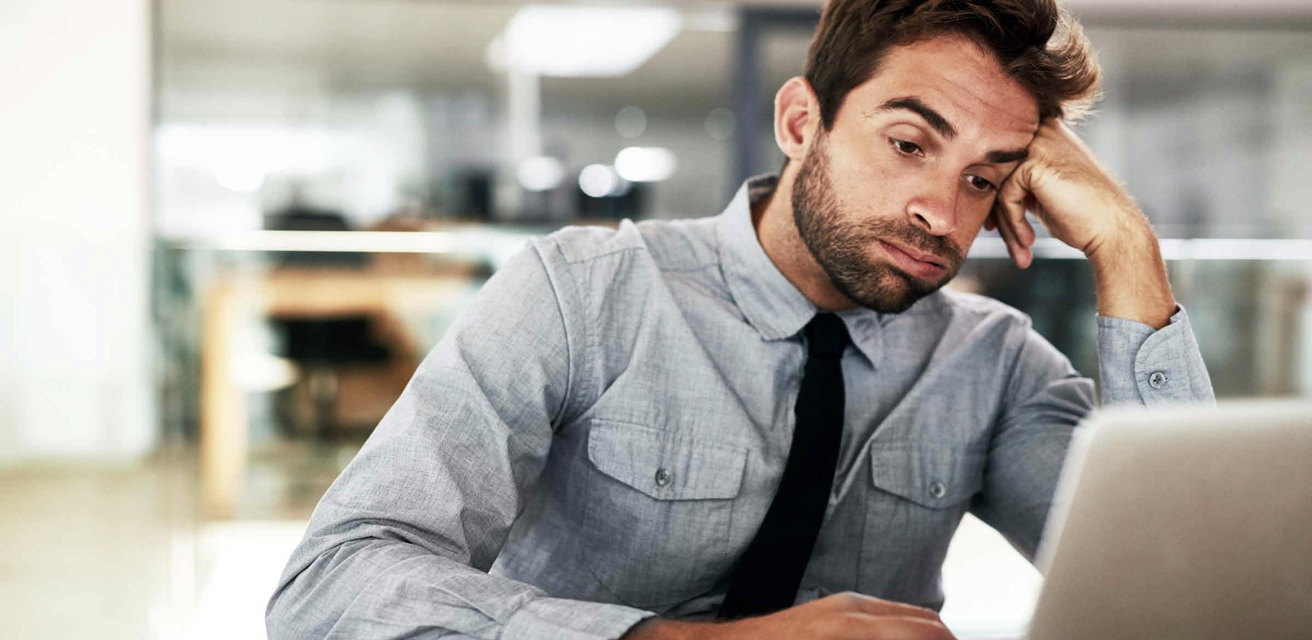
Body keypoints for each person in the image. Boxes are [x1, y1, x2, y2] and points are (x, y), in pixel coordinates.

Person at [266, 1, 1215, 638]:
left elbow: (1190, 600)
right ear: (803, 122)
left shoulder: (995, 365)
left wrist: (1126, 246)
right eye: (907, 143)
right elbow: (335, 585)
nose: (942, 210)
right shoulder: (583, 291)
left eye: (986, 177)